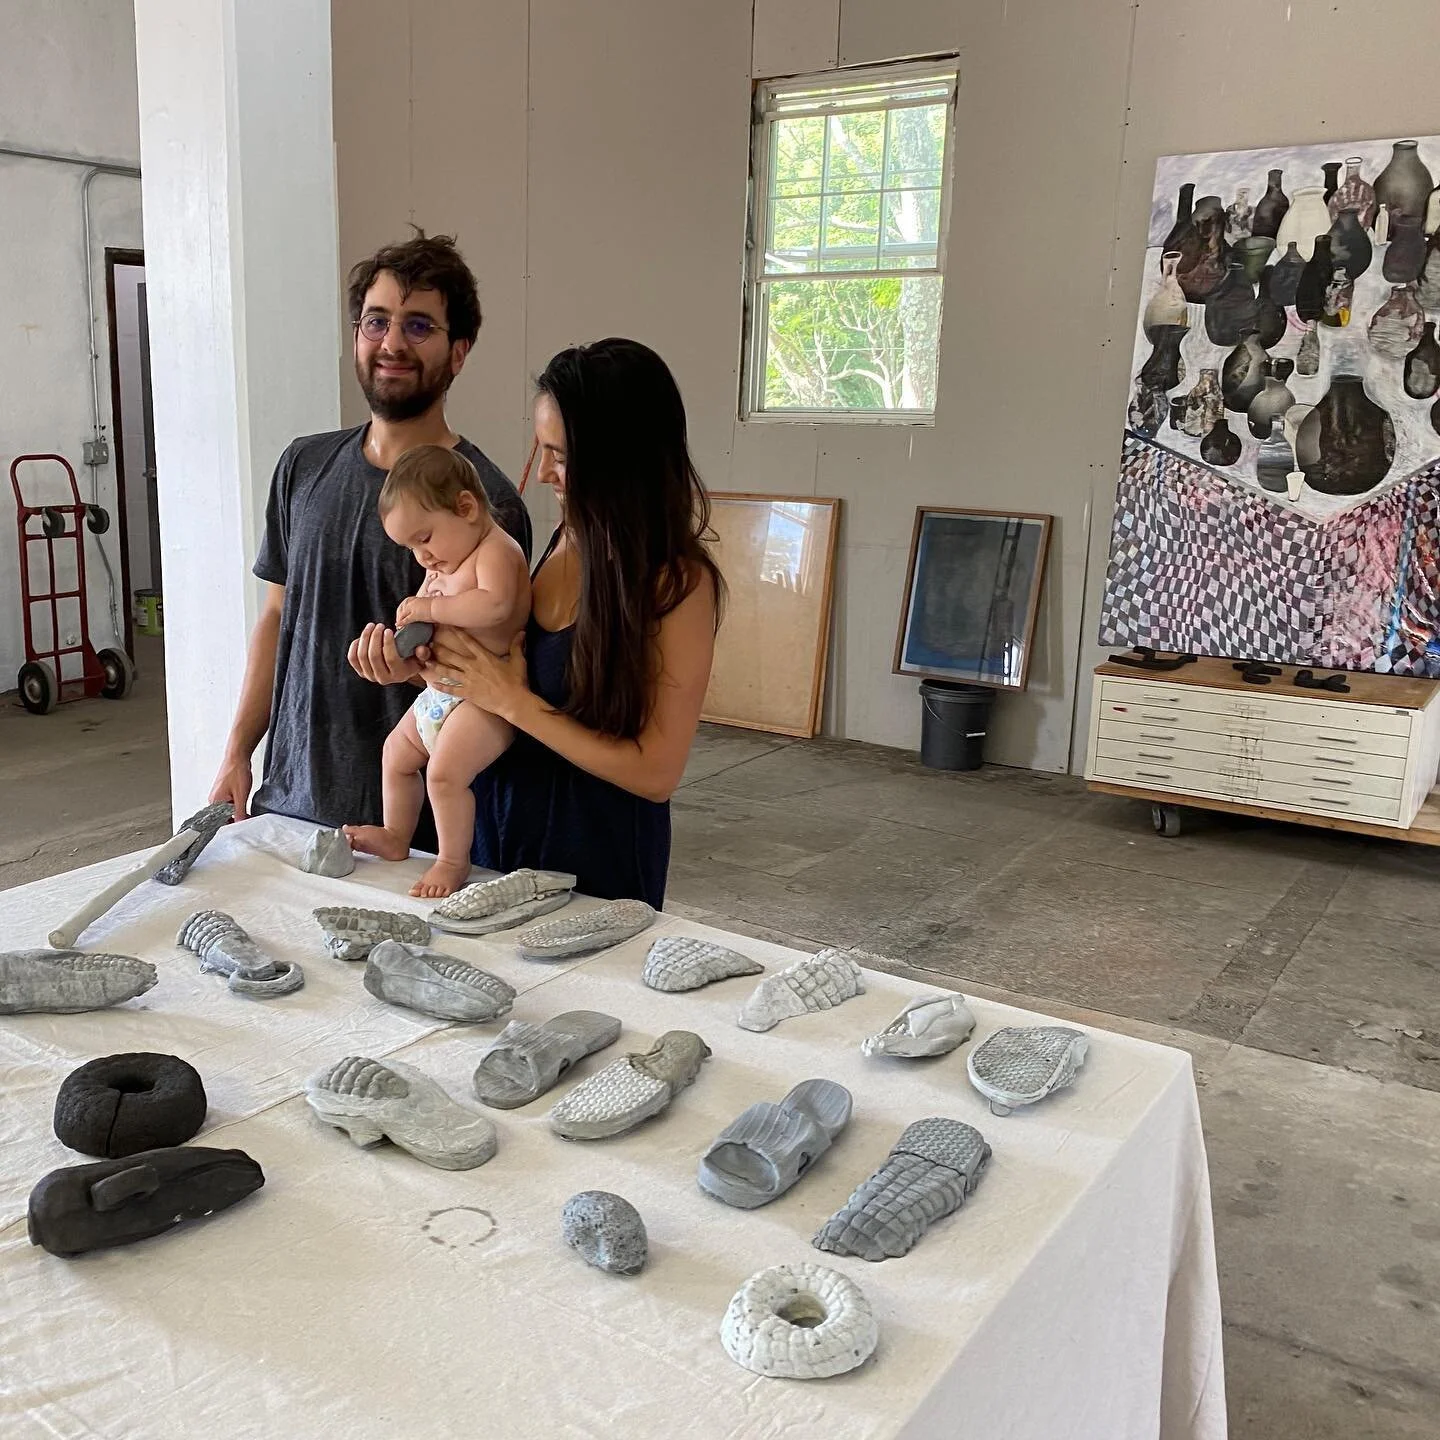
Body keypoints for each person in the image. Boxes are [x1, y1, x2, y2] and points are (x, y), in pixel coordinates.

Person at [351, 337, 722, 908]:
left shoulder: (677, 585)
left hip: (592, 865)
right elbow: (494, 671)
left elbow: (655, 774)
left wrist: (512, 702)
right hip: (499, 839)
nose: (544, 470)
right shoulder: (560, 541)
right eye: (540, 447)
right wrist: (417, 668)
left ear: (623, 460)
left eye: (563, 454)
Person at [208, 231, 531, 833]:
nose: (391, 344)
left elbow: (489, 676)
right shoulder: (302, 466)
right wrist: (237, 754)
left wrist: (409, 669)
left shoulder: (483, 506)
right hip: (288, 802)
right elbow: (277, 620)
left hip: (411, 834)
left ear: (459, 351)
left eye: (418, 326)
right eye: (375, 321)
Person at [343, 444, 530, 898]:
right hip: (440, 693)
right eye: (409, 548)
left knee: (444, 774)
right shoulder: (444, 565)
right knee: (395, 754)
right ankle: (396, 835)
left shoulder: (495, 550)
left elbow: (496, 604)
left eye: (424, 539)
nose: (422, 558)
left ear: (465, 507)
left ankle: (451, 860)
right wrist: (410, 638)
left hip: (487, 699)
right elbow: (435, 618)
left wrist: (431, 603)